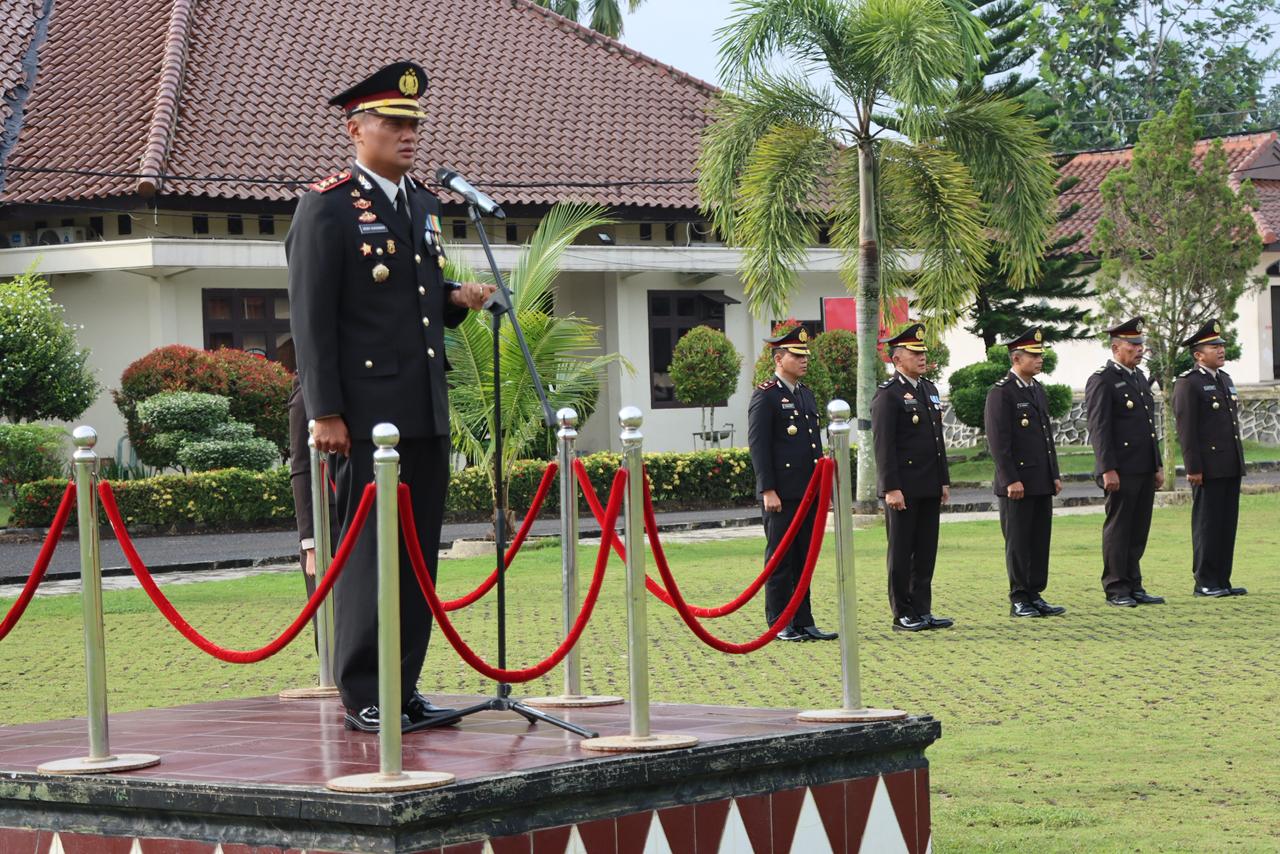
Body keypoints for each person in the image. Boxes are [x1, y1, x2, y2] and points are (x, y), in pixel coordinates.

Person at [286, 61, 495, 732]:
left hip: (422, 411)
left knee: (416, 559)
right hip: (364, 419)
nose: (409, 134)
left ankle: (403, 688)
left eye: (415, 124)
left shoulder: (422, 204)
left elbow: (412, 303)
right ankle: (363, 691)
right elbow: (312, 317)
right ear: (356, 129)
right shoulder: (328, 204)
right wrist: (324, 411)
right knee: (368, 558)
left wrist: (456, 301)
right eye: (395, 123)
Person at [746, 326, 837, 642]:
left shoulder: (806, 394)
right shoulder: (766, 395)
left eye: (805, 356)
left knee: (803, 559)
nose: (803, 361)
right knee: (781, 559)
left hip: (807, 492)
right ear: (779, 358)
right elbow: (759, 446)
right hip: (781, 495)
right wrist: (767, 489)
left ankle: (803, 619)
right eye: (796, 356)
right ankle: (780, 622)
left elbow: (813, 446)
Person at [870, 323, 953, 632]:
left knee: (926, 550)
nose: (922, 357)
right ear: (897, 359)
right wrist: (890, 487)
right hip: (903, 488)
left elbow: (936, 440)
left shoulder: (929, 389)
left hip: (929, 484)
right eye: (914, 353)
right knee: (902, 551)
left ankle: (922, 608)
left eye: (923, 352)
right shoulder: (888, 395)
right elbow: (884, 445)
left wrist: (943, 480)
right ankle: (902, 611)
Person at [984, 327, 1066, 618]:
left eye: (1041, 354)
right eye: (1034, 355)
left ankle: (1035, 593)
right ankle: (1019, 597)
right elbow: (998, 441)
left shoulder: (1036, 389)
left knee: (1039, 539)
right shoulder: (1002, 392)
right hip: (1017, 482)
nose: (1040, 359)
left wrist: (1054, 474)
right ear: (1017, 358)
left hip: (1040, 479)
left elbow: (1046, 438)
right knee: (1018, 542)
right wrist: (1010, 479)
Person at [1084, 317, 1166, 608]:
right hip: (1120, 468)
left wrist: (1156, 464)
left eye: (1141, 344)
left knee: (1138, 529)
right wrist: (1107, 468)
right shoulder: (1102, 380)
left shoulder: (1138, 377)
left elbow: (1149, 427)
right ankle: (1116, 587)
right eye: (1133, 344)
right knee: (1119, 528)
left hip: (1142, 465)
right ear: (1116, 347)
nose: (1140, 349)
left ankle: (1134, 583)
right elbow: (1099, 428)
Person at [1172, 319, 1248, 598]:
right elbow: (1186, 429)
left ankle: (1222, 579)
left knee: (1227, 523)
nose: (1221, 350)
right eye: (1214, 346)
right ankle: (1204, 581)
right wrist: (1193, 467)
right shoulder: (1188, 383)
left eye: (1221, 345)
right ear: (1198, 354)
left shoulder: (1225, 380)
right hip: (1207, 467)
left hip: (1229, 464)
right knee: (1207, 523)